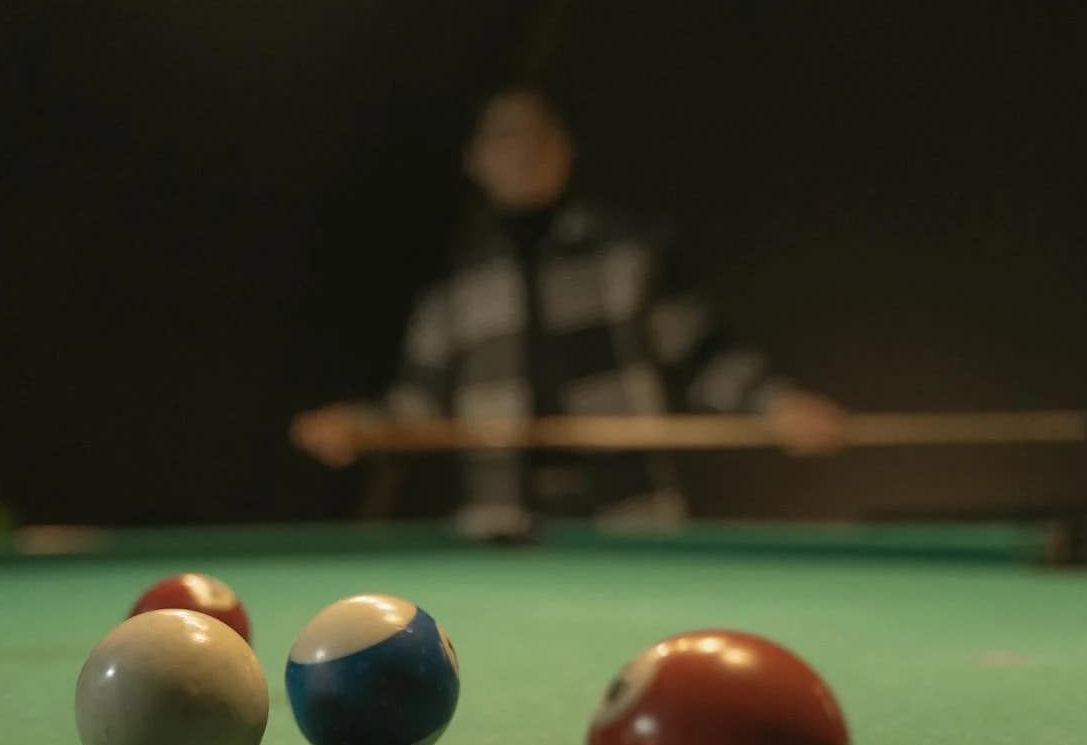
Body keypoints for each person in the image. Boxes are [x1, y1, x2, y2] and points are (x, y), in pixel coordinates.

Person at [291, 87, 849, 537]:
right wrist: (360, 427)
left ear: (565, 149)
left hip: (630, 516)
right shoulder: (454, 286)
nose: (524, 149)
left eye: (539, 133)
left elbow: (703, 353)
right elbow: (418, 403)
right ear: (475, 159)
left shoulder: (626, 255)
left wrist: (778, 402)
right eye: (504, 135)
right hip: (501, 525)